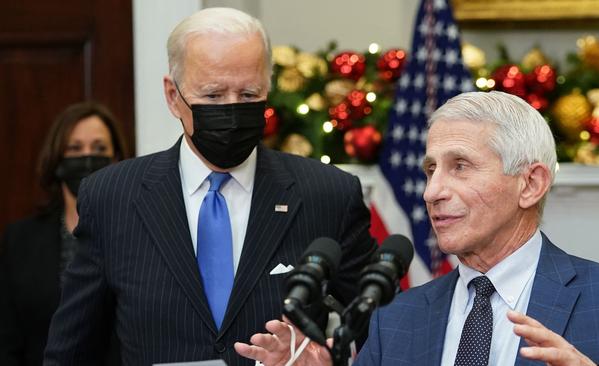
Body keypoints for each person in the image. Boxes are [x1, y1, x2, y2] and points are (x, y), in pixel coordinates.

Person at [43, 7, 376, 366]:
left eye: (248, 95)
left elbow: (385, 329)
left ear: (268, 89)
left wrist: (332, 359)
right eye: (213, 96)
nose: (232, 110)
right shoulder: (113, 197)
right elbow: (71, 351)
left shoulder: (327, 195)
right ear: (173, 96)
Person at [234, 91, 599, 366]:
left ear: (531, 183)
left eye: (460, 167)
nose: (433, 192)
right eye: (431, 170)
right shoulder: (394, 319)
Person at [0, 101, 128, 366]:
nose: (87, 158)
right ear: (57, 159)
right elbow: (7, 338)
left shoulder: (136, 232)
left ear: (116, 158)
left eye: (99, 148)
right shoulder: (20, 240)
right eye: (75, 148)